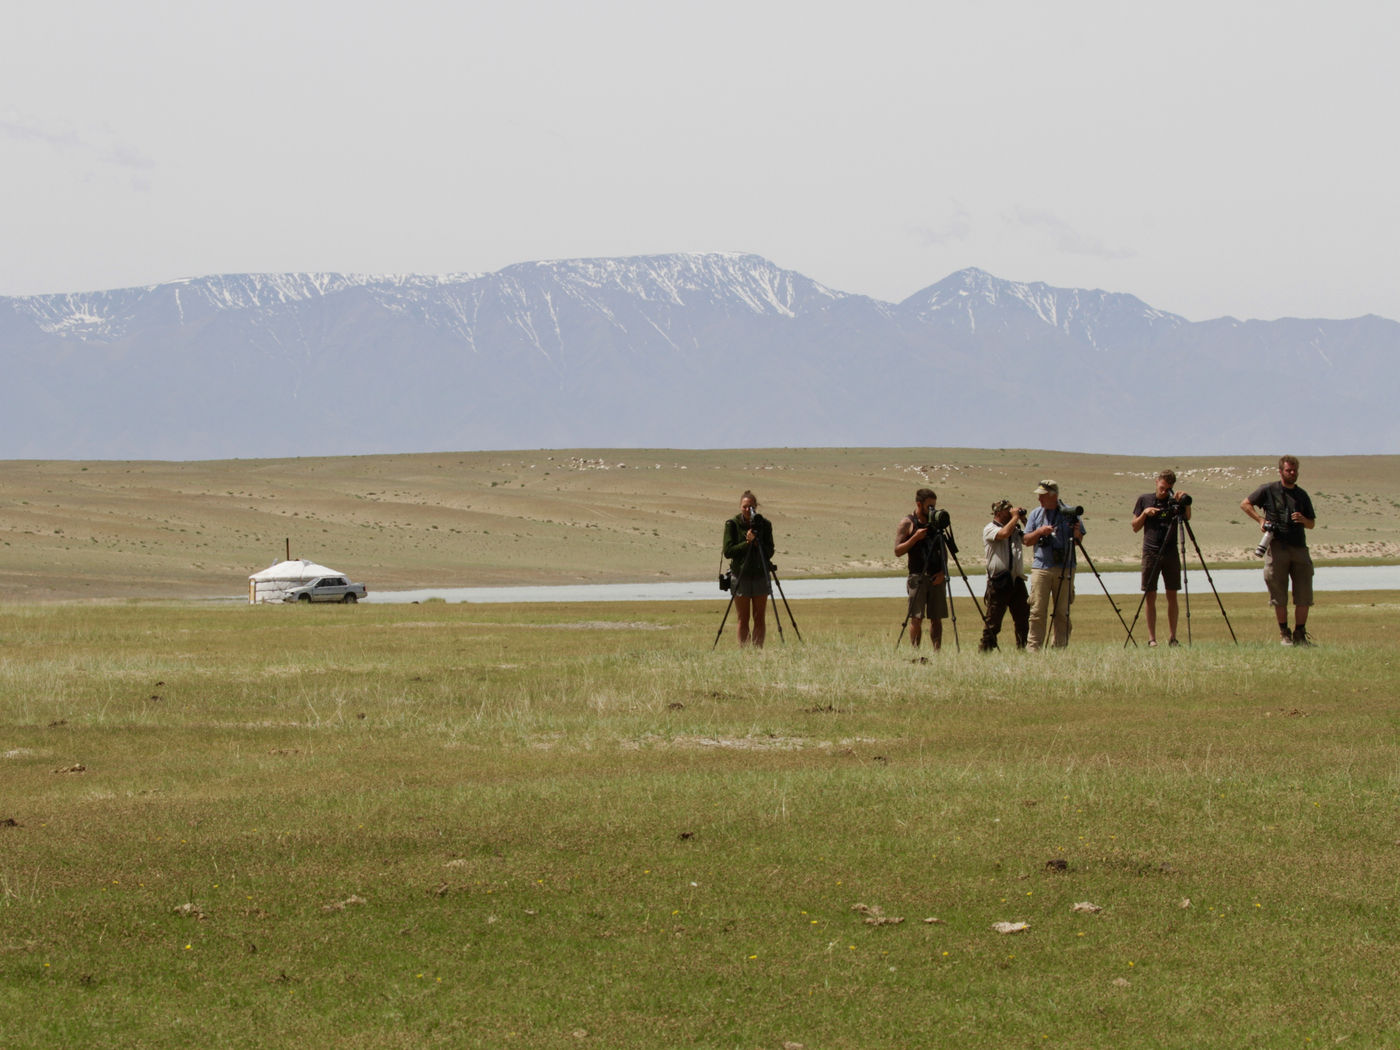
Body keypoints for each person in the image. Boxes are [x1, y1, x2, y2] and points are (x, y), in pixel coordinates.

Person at [1241, 455, 1317, 646]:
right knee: (1278, 593)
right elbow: (1245, 504)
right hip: (1276, 547)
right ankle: (1284, 633)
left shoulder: (1302, 495)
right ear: (1281, 471)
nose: (1292, 473)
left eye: (1295, 470)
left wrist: (1302, 520)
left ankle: (1300, 633)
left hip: (1299, 548)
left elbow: (1312, 524)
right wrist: (1260, 520)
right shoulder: (1269, 490)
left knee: (1304, 594)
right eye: (1289, 470)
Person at [1131, 469, 1191, 647]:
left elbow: (1186, 519)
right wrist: (1145, 513)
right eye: (1162, 487)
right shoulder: (1144, 499)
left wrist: (1185, 503)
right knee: (1150, 595)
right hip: (1151, 552)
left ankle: (1173, 637)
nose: (1164, 492)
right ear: (1157, 482)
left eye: (1168, 489)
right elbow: (1134, 526)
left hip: (1171, 552)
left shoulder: (1174, 502)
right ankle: (1152, 639)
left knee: (1172, 594)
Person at [1023, 480, 1085, 651]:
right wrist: (1040, 532)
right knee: (1037, 610)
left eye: (1042, 496)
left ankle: (1059, 648)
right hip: (1041, 567)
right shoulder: (1036, 514)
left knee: (1062, 611)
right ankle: (1033, 649)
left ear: (1054, 496)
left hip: (1065, 566)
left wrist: (1076, 531)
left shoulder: (1070, 513)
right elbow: (1026, 540)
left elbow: (1079, 541)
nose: (1039, 499)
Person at [894, 488, 947, 650]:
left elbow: (944, 550)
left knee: (936, 618)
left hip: (936, 576)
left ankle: (937, 652)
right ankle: (915, 651)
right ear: (919, 504)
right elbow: (897, 551)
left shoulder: (935, 522)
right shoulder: (908, 522)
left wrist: (943, 572)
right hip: (917, 576)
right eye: (929, 506)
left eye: (934, 506)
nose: (932, 510)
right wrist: (915, 538)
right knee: (916, 618)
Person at [722, 490, 776, 648]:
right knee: (742, 618)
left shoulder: (765, 524)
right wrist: (747, 543)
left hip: (760, 574)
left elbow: (770, 552)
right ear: (740, 507)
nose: (747, 510)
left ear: (756, 507)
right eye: (745, 507)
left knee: (759, 617)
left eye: (751, 507)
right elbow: (728, 551)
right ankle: (744, 653)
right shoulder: (732, 524)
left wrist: (757, 542)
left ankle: (758, 651)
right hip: (740, 575)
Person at [979, 499, 1029, 652]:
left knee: (1023, 618)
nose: (1011, 512)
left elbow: (1028, 539)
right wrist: (1015, 518)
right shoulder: (990, 528)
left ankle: (1023, 648)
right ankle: (986, 649)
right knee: (994, 620)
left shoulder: (1015, 528)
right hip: (999, 580)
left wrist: (1024, 520)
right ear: (999, 512)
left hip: (1017, 579)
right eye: (1008, 511)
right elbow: (1003, 533)